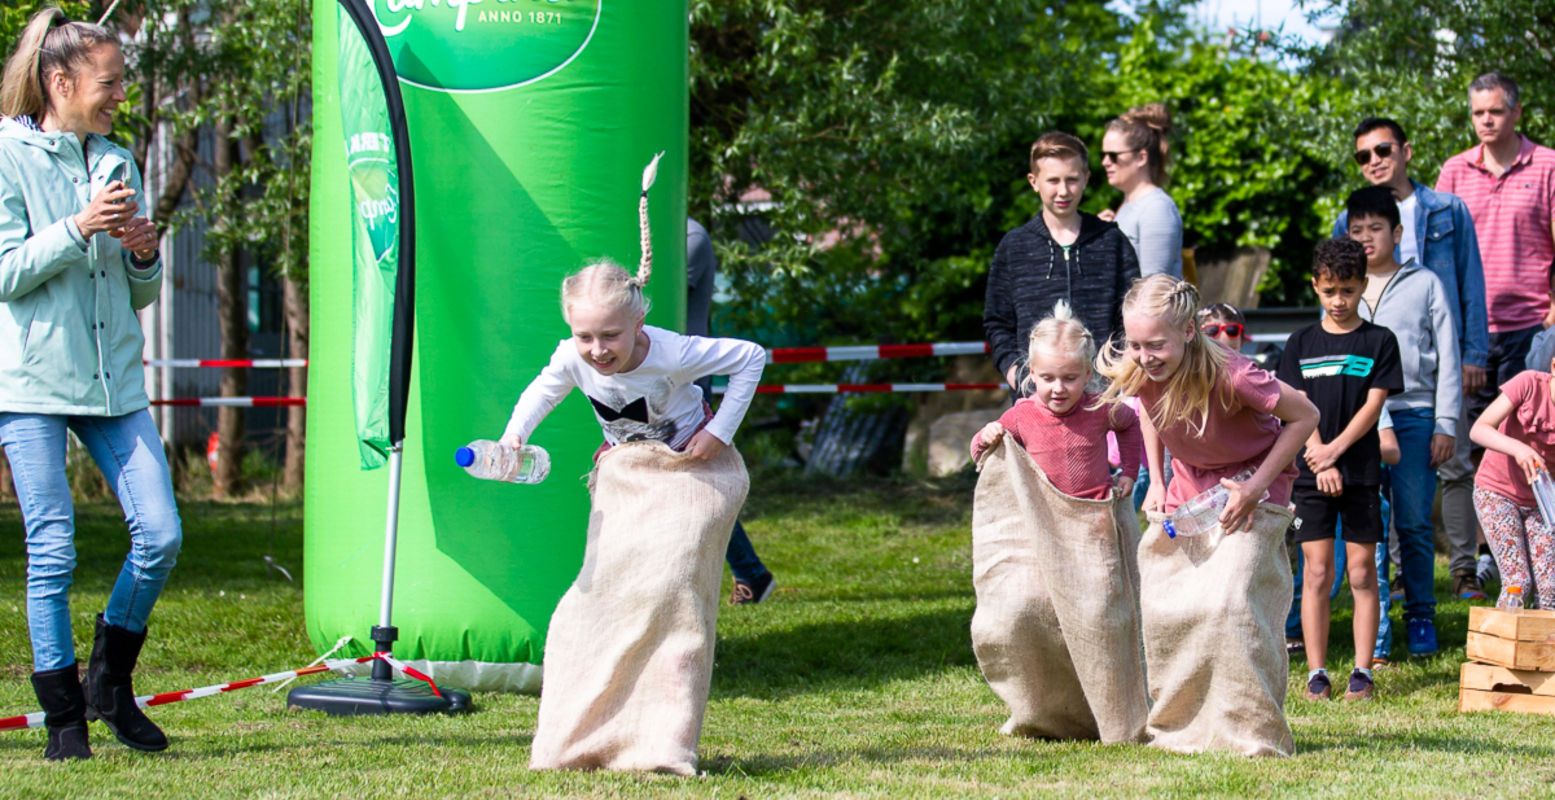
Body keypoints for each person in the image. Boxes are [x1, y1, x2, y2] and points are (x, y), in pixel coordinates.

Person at [502, 161, 766, 774]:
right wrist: (515, 436)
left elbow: (751, 357)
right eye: (586, 337)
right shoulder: (574, 355)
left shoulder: (672, 351)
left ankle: (661, 737)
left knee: (669, 583)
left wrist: (717, 431)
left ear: (638, 320)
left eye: (610, 336)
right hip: (627, 472)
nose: (599, 350)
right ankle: (589, 731)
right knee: (601, 594)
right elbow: (541, 392)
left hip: (690, 468)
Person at [0, 9, 180, 761]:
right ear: (60, 80)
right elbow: (7, 272)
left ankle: (111, 681)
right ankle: (64, 718)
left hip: (115, 385)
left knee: (162, 535)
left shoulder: (118, 158)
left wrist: (142, 254)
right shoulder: (7, 156)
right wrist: (77, 229)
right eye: (108, 84)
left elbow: (139, 292)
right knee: (53, 552)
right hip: (33, 383)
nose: (118, 97)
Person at [1097, 274, 1318, 756]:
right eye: (1135, 343)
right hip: (1191, 483)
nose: (1144, 355)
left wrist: (1254, 488)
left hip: (1254, 482)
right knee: (1169, 604)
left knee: (1230, 604)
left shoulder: (1235, 373)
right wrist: (1155, 479)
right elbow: (1151, 415)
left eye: (1156, 344)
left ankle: (1251, 727)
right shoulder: (1140, 369)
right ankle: (1183, 724)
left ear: (1189, 332)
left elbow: (1306, 416)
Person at [1333, 117, 1492, 599]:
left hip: (1431, 378)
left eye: (1382, 150)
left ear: (1405, 150)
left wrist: (1472, 353)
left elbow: (1469, 284)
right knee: (1381, 497)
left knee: (1453, 465)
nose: (1374, 161)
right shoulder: (1351, 218)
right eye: (1363, 156)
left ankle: (1463, 568)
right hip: (1372, 399)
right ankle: (1401, 578)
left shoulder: (1446, 209)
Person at [1277, 239, 1403, 702]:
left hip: (1361, 470)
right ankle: (1316, 672)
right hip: (1311, 470)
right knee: (1315, 572)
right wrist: (1317, 454)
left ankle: (1363, 672)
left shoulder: (1379, 341)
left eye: (1348, 290)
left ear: (1363, 286)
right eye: (1330, 291)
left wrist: (1335, 451)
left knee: (1362, 571)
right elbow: (1294, 407)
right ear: (1316, 287)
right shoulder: (1300, 343)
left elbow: (1374, 406)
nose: (1339, 300)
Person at [1348, 185, 1462, 657]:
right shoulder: (1343, 287)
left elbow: (1450, 356)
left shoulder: (1426, 284)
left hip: (1416, 415)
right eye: (1357, 230)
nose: (1367, 238)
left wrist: (1446, 422)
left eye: (1376, 228)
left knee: (1414, 523)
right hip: (1360, 420)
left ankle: (1421, 616)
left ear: (1397, 232)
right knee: (1366, 527)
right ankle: (1375, 633)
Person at [984, 131, 1141, 394]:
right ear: (1034, 182)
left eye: (1072, 180)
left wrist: (1118, 372)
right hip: (1035, 400)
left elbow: (1132, 316)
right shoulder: (1014, 246)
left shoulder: (1112, 241)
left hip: (1103, 399)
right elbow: (997, 322)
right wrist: (1015, 371)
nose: (1063, 191)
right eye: (1053, 180)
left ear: (1086, 179)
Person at [970, 301, 1141, 500]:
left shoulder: (1099, 408)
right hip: (1046, 516)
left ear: (1087, 374)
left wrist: (1129, 472)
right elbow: (977, 454)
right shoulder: (1021, 416)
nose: (1058, 388)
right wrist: (985, 436)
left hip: (1096, 514)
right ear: (1033, 373)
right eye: (1048, 378)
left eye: (1070, 378)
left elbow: (1130, 422)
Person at [687, 217, 775, 604]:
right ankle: (751, 573)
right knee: (693, 486)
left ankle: (750, 573)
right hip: (653, 377)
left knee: (697, 484)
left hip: (687, 380)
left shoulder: (689, 237)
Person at [1469, 359, 1555, 610]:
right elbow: (1479, 430)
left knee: (1550, 590)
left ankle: (1542, 648)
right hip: (1497, 492)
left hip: (1541, 503)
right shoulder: (1528, 383)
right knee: (1518, 582)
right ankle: (1498, 647)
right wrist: (1518, 449)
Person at [1100, 104, 1183, 278]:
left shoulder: (1156, 209)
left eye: (1113, 155)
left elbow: (1153, 289)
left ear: (1141, 157)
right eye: (1104, 155)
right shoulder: (1129, 204)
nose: (1105, 162)